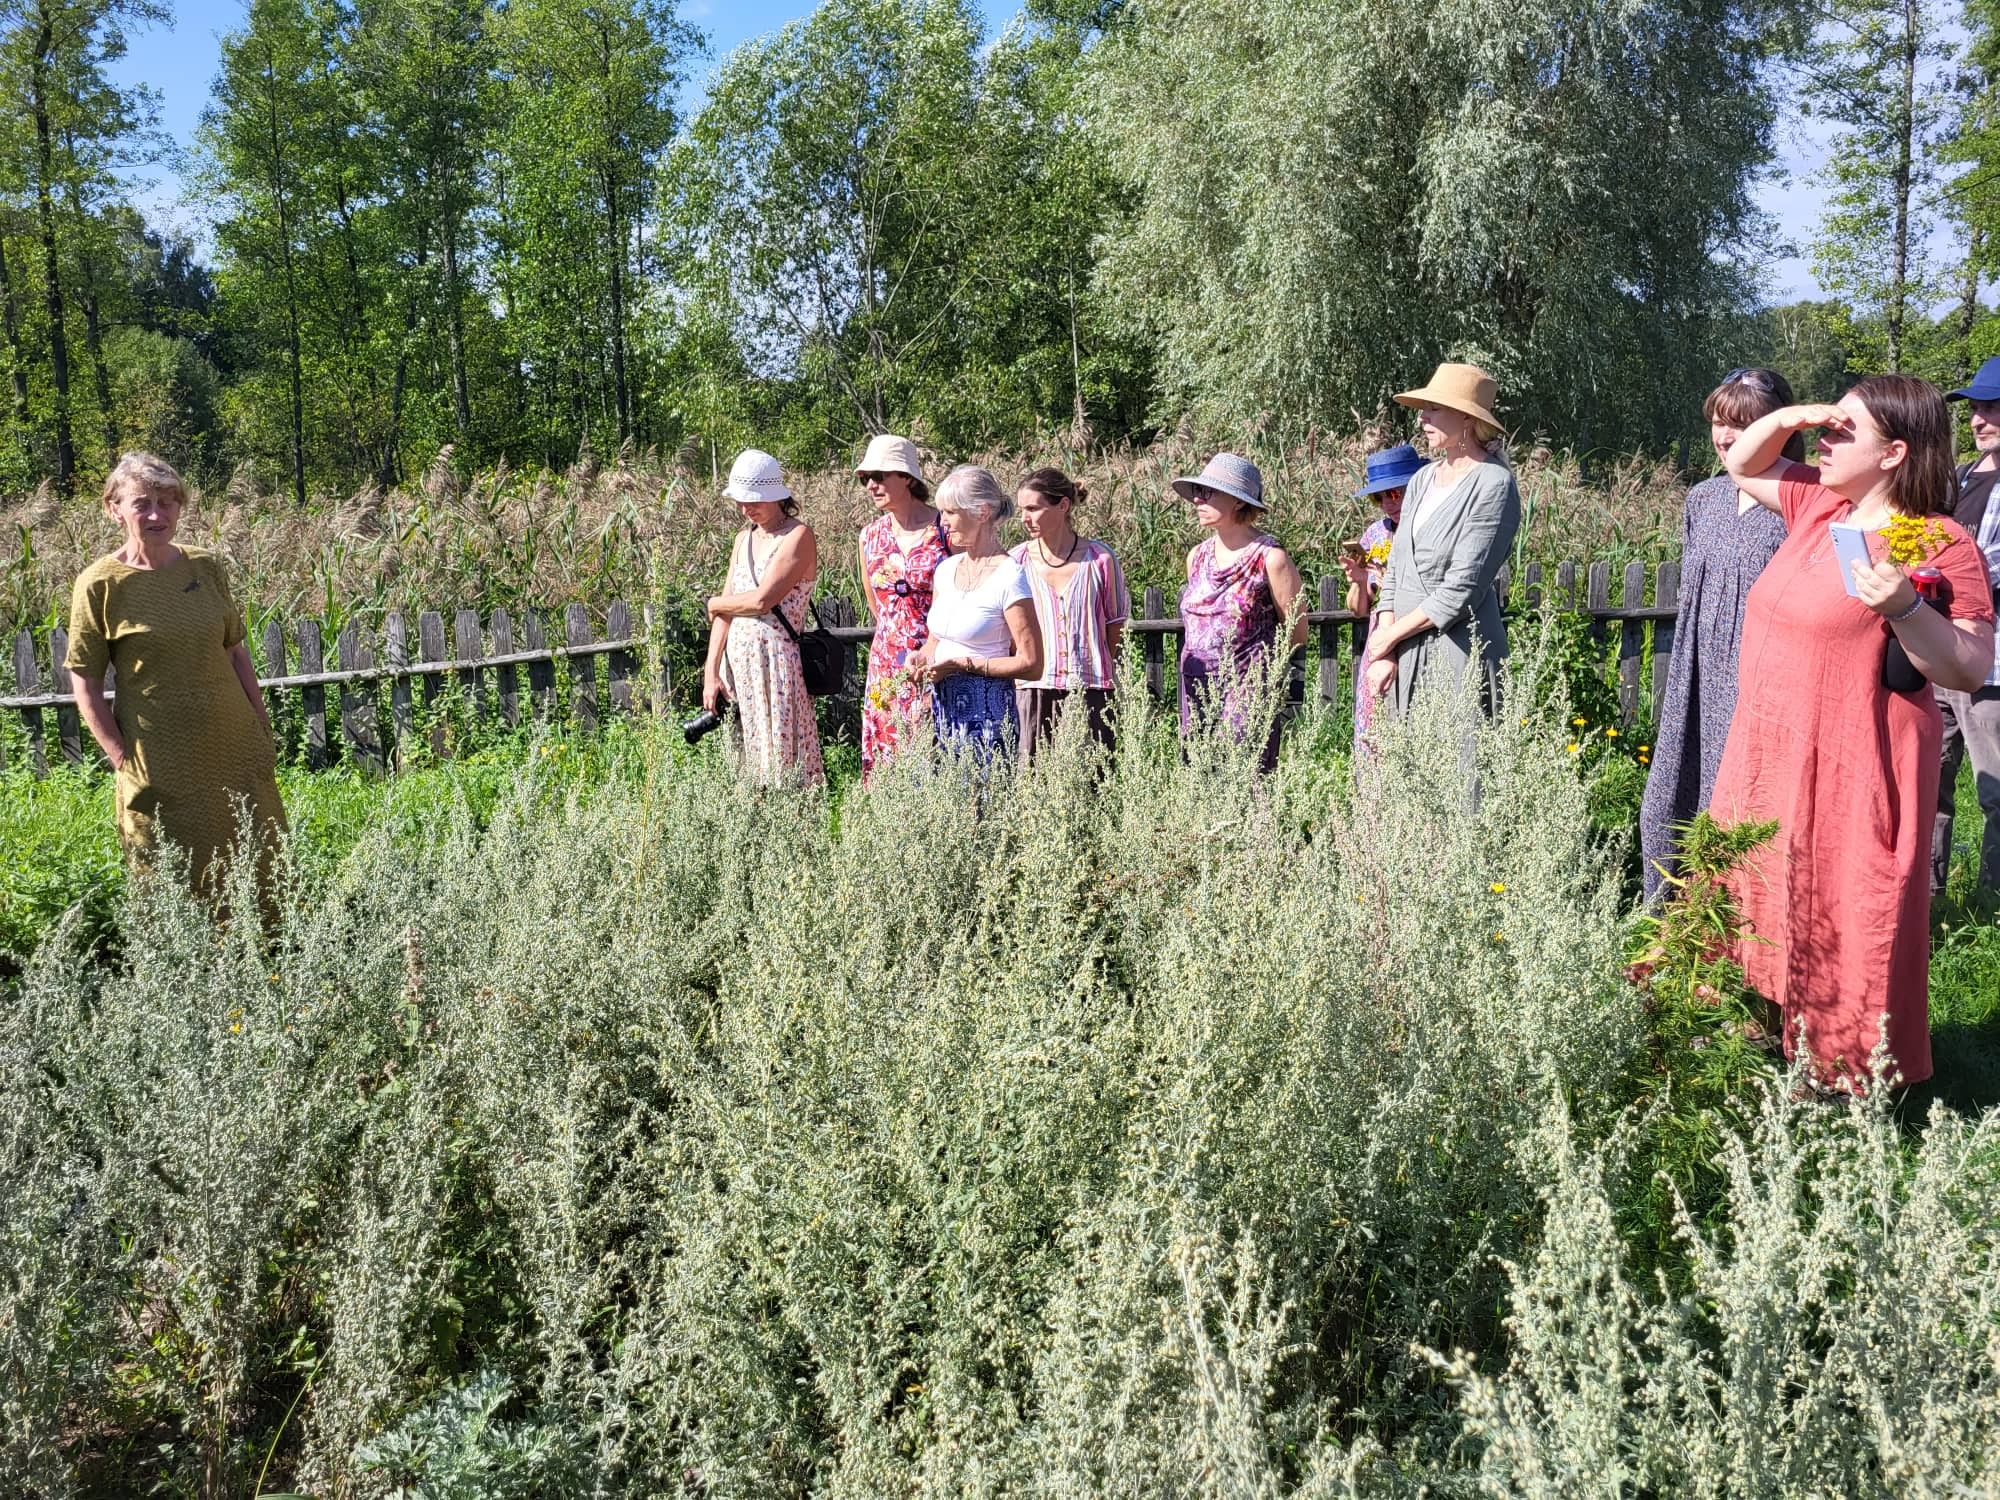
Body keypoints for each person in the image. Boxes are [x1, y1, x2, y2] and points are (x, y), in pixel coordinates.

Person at [1713, 375, 1997, 1092]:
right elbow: (1741, 464)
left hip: (1853, 758)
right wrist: (1791, 414)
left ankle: (1834, 1063)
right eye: (1829, 429)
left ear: (1895, 452)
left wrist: (1906, 606)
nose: (1827, 439)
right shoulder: (1818, 506)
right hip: (1770, 749)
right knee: (1756, 883)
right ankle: (1754, 1028)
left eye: (1846, 431)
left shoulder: (1937, 539)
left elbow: (1966, 666)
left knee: (1840, 897)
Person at [65, 452, 287, 903]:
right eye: (142, 503)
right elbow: (84, 682)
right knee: (168, 868)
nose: (156, 514)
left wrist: (261, 727)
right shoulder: (99, 585)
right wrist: (120, 757)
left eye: (168, 502)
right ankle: (187, 967)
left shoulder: (205, 567)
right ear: (114, 508)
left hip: (233, 745)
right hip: (158, 756)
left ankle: (266, 955)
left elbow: (235, 652)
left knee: (258, 854)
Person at [1636, 369, 1797, 900]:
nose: (1727, 436)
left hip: (1764, 672)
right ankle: (1670, 929)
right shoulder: (1703, 497)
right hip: (1699, 668)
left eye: (1742, 423)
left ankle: (1738, 932)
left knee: (1740, 804)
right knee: (1668, 796)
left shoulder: (1805, 496)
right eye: (1718, 422)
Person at [1366, 364, 1522, 721]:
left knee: (1459, 768)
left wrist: (1387, 638)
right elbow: (1396, 572)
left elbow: (1461, 590)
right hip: (1404, 653)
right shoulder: (1421, 479)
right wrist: (1387, 651)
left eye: (1434, 408)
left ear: (1466, 417)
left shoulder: (1494, 485)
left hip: (1459, 651)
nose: (1422, 418)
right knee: (1406, 770)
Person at [1173, 452, 1306, 770]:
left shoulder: (1270, 558)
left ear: (1236, 501)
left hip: (1246, 693)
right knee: (1200, 784)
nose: (1197, 500)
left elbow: (1298, 633)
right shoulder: (1198, 556)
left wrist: (1257, 679)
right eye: (1196, 492)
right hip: (1195, 687)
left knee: (1247, 783)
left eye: (1208, 492)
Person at [700, 449, 824, 788]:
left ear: (777, 497)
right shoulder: (742, 539)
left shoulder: (798, 536)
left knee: (785, 762)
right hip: (738, 670)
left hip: (775, 666)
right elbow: (724, 611)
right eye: (740, 501)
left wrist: (716, 601)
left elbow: (762, 599)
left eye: (754, 500)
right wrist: (711, 671)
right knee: (743, 766)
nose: (746, 508)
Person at [910, 465, 1043, 757]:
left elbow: (1032, 663)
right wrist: (920, 658)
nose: (941, 521)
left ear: (982, 513)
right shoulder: (945, 571)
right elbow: (936, 641)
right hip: (941, 715)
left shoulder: (1010, 576)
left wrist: (963, 664)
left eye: (950, 512)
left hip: (989, 721)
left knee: (983, 802)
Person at [1934, 356, 2000, 899]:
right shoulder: (1959, 477)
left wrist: (1940, 566)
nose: (1978, 419)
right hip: (1936, 651)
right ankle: (1923, 904)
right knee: (1926, 782)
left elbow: (1983, 565)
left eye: (1992, 407)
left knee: (1995, 789)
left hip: (1991, 661)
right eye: (1976, 407)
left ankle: (1990, 909)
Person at [1010, 466, 1130, 760]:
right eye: (1021, 509)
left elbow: (1116, 625)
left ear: (1063, 506)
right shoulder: (1016, 560)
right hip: (1034, 687)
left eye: (1033, 508)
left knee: (1093, 782)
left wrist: (1097, 665)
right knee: (1033, 782)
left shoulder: (1099, 559)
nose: (1024, 518)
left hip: (1091, 688)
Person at [856, 434, 948, 783]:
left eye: (880, 476)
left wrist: (932, 644)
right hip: (886, 665)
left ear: (908, 478)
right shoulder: (869, 536)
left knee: (935, 757)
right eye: (866, 478)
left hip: (937, 659)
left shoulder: (945, 529)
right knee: (888, 761)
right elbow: (877, 604)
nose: (871, 485)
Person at [1340, 443, 1424, 753]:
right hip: (1382, 636)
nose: (1388, 504)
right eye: (1379, 497)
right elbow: (1359, 609)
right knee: (1375, 728)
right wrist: (1361, 583)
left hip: (1421, 630)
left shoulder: (1430, 527)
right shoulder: (1376, 534)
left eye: (1395, 493)